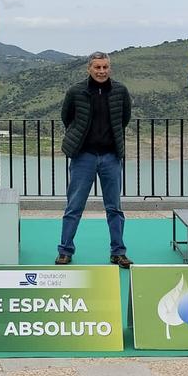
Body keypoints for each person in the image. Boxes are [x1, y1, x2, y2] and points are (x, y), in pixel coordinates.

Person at [56, 52, 133, 268]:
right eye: (97, 67)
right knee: (74, 206)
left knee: (114, 208)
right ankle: (65, 250)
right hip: (83, 157)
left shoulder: (121, 91)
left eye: (105, 67)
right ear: (89, 68)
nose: (101, 71)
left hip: (110, 157)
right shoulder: (75, 91)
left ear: (110, 68)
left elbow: (124, 118)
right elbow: (67, 117)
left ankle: (118, 252)